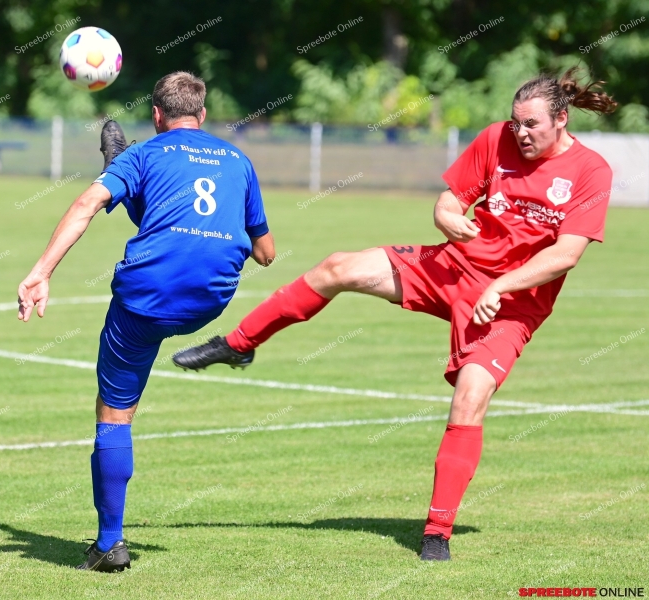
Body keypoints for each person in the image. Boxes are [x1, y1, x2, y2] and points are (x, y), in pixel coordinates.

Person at [173, 67, 617, 561]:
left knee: (470, 398)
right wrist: (448, 217)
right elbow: (449, 202)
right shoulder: (496, 139)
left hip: (512, 303)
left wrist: (504, 284)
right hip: (450, 267)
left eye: (531, 125)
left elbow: (566, 254)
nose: (521, 133)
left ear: (561, 119)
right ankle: (238, 344)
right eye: (515, 123)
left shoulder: (591, 171)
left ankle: (436, 534)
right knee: (338, 267)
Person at [16, 71, 275, 572]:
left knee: (114, 412)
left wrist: (41, 272)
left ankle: (109, 543)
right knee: (160, 221)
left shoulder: (146, 152)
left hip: (146, 297)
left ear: (156, 116)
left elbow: (87, 204)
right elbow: (266, 253)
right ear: (203, 115)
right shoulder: (239, 161)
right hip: (209, 299)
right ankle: (129, 188)